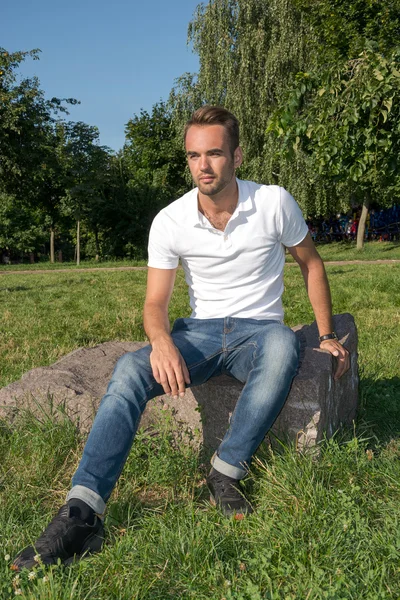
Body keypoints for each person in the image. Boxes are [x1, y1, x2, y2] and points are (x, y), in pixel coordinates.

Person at [13, 106, 350, 571]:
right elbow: (155, 304)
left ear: (237, 155)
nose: (203, 166)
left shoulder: (273, 203)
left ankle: (225, 472)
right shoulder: (170, 220)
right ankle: (83, 512)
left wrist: (328, 334)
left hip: (259, 331)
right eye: (194, 156)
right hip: (200, 333)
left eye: (214, 153)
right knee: (131, 367)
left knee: (281, 346)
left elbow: (311, 263)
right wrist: (163, 340)